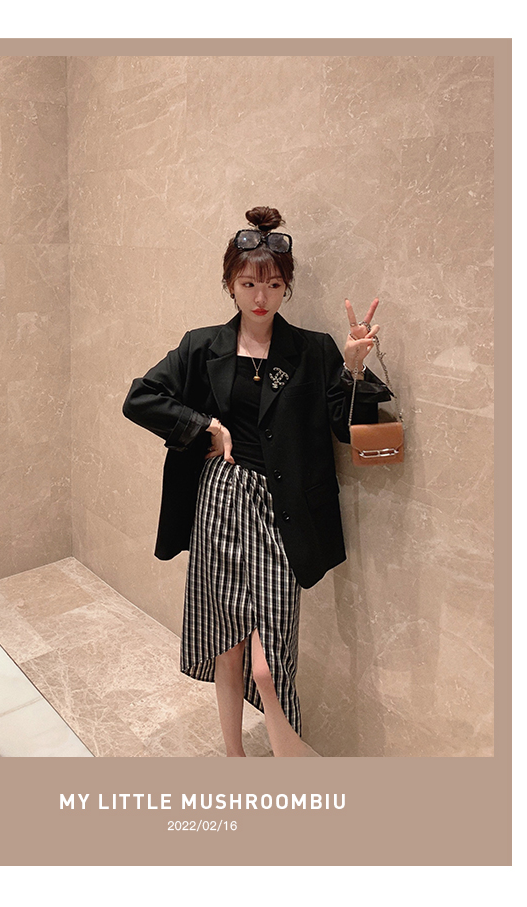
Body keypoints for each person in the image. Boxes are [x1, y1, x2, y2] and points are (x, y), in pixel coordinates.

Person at [123, 206, 391, 757]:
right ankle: (234, 757)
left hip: (281, 511)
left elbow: (344, 428)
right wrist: (206, 426)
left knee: (269, 664)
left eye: (271, 284)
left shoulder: (313, 349)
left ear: (286, 286)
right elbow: (140, 398)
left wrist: (353, 367)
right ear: (230, 284)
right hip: (220, 502)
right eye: (248, 283)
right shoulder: (202, 346)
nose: (260, 296)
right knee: (228, 643)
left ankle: (286, 761)